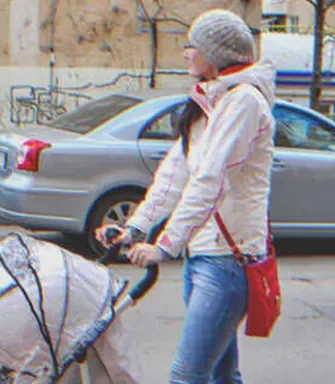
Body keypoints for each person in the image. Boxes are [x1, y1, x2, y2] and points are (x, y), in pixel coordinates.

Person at [95, 8, 277, 384]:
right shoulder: (208, 104)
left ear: (216, 52)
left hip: (229, 262)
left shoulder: (243, 102)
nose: (185, 52)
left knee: (187, 376)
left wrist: (164, 245)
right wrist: (134, 228)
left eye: (192, 45)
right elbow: (174, 176)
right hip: (205, 256)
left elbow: (210, 180)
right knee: (222, 376)